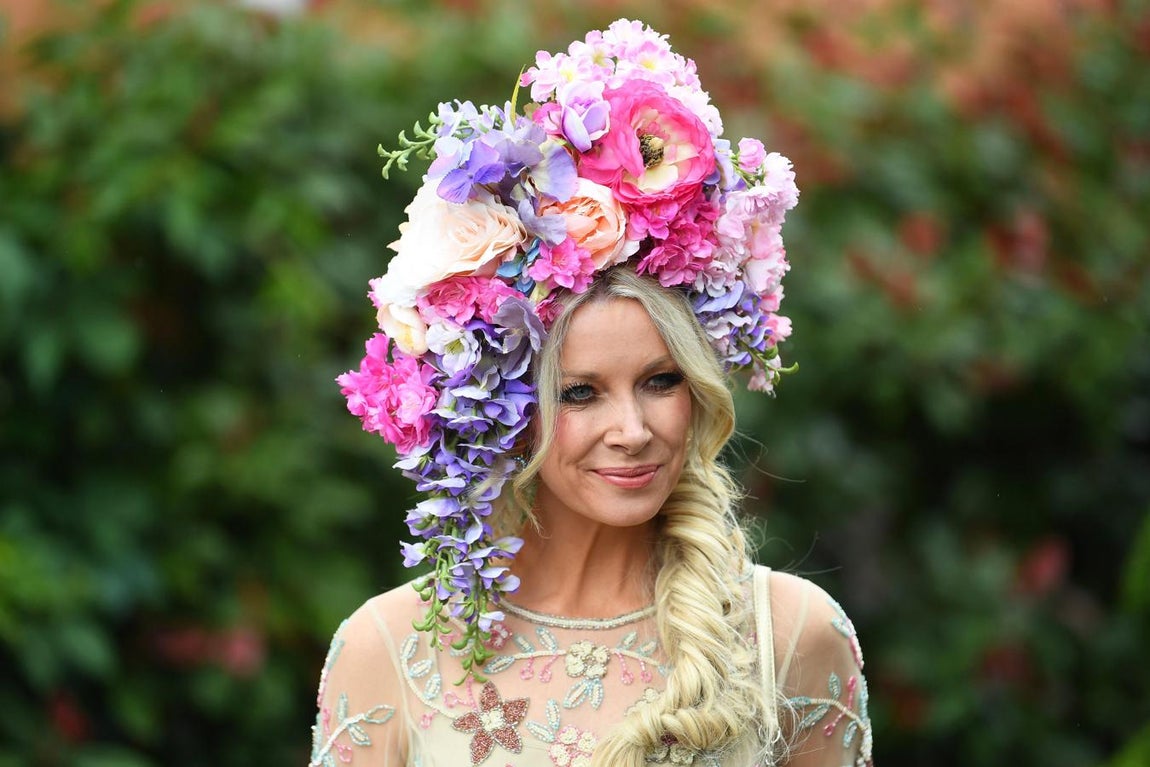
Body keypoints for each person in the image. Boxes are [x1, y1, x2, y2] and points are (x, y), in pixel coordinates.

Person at [310, 19, 873, 767]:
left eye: (660, 380)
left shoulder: (791, 636)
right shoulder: (388, 652)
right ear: (504, 407)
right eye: (580, 393)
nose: (633, 428)